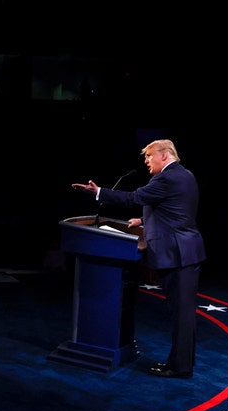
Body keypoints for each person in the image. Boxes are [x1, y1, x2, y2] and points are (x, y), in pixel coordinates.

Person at [71, 139, 206, 379]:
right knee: (181, 314)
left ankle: (179, 367)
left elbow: (134, 198)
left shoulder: (166, 177)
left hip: (178, 255)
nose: (146, 161)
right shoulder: (185, 175)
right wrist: (144, 221)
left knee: (182, 315)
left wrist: (98, 192)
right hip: (185, 252)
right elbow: (176, 210)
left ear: (164, 155)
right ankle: (181, 363)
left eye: (149, 156)